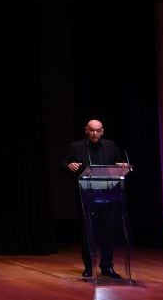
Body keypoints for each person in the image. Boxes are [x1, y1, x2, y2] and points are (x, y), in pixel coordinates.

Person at [61, 119, 130, 279]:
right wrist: (68, 166)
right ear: (86, 130)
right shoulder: (76, 146)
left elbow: (119, 163)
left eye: (98, 130)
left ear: (102, 131)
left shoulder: (111, 146)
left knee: (108, 233)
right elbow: (64, 163)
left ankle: (107, 267)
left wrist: (122, 165)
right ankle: (89, 267)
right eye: (91, 130)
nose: (94, 133)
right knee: (87, 234)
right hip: (86, 196)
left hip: (108, 196)